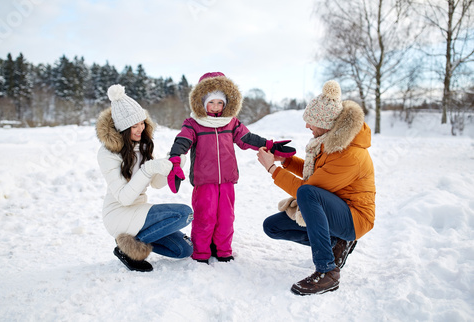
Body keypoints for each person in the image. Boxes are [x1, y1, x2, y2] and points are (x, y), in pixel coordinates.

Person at [257, 80, 375, 295]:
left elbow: (308, 189)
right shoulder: (333, 142)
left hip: (354, 218)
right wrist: (285, 161)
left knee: (306, 193)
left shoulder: (350, 154)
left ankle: (327, 271)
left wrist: (272, 168)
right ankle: (334, 242)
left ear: (326, 123)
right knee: (272, 226)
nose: (307, 126)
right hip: (334, 209)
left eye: (311, 122)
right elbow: (318, 174)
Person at [168, 72, 295, 264]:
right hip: (204, 182)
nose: (216, 107)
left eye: (220, 103)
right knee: (205, 216)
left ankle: (223, 250)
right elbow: (182, 142)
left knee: (226, 218)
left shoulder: (231, 122)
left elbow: (247, 139)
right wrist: (175, 160)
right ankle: (202, 252)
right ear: (202, 102)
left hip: (227, 180)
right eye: (211, 103)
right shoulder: (194, 124)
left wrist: (270, 145)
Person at [96, 84, 194, 272]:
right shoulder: (107, 154)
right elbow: (124, 198)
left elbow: (156, 183)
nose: (140, 128)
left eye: (142, 122)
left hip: (140, 211)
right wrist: (148, 169)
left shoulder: (142, 145)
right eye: (134, 126)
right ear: (123, 129)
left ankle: (139, 239)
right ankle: (126, 248)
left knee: (185, 249)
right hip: (119, 214)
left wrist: (172, 165)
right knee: (184, 213)